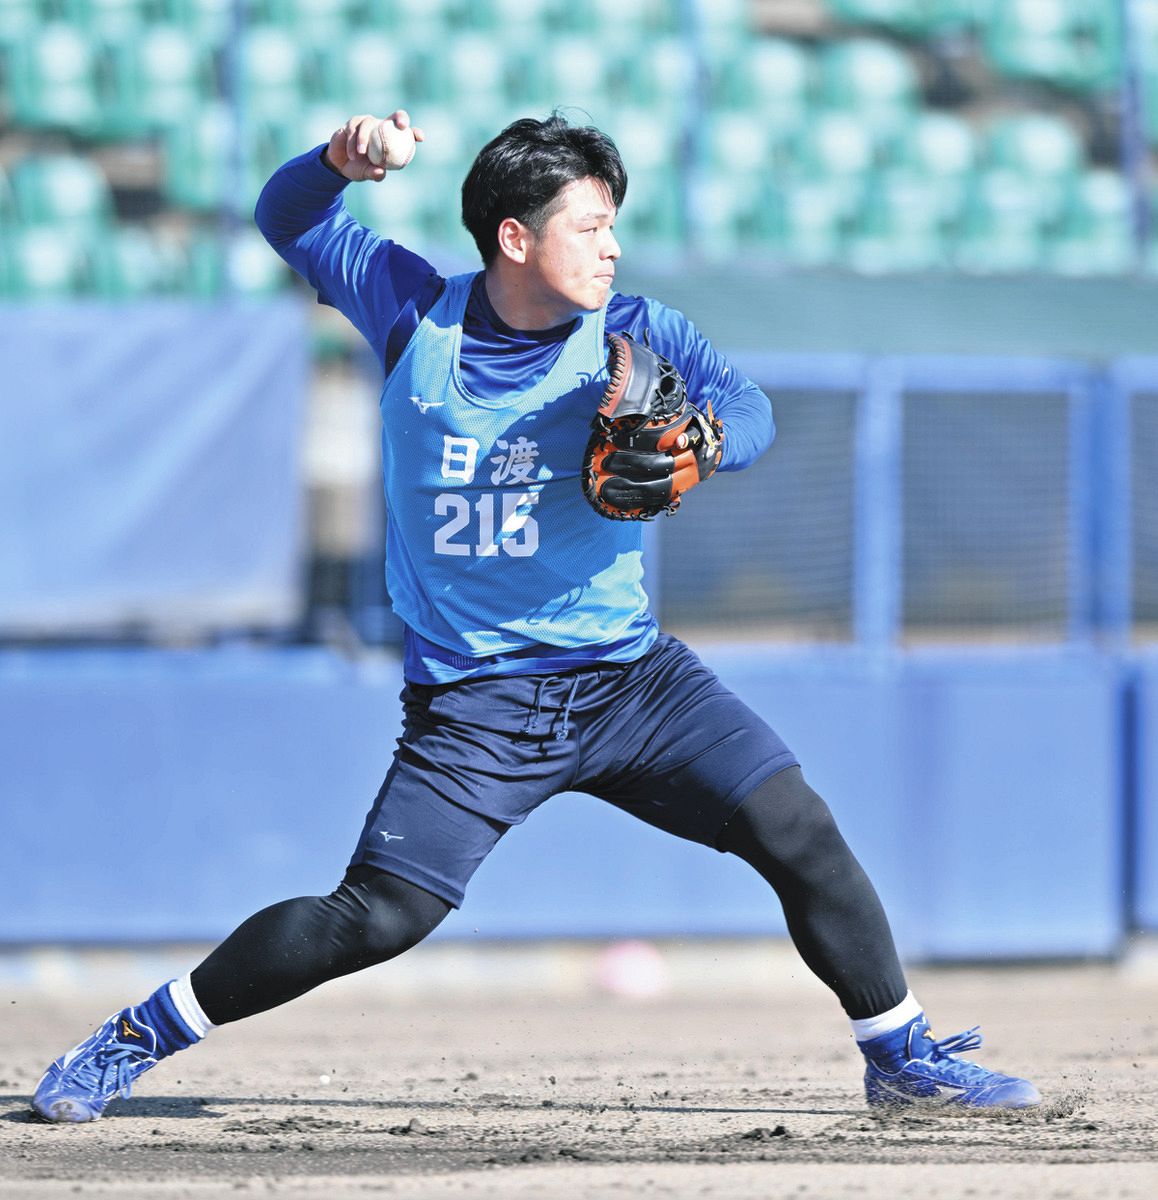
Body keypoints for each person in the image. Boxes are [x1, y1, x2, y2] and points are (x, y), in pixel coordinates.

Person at [32, 110, 1040, 1123]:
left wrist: (704, 440)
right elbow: (286, 217)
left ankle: (902, 1057)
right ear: (515, 237)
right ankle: (136, 1036)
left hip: (633, 679)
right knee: (377, 916)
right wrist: (339, 162)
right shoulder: (412, 308)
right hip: (480, 704)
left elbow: (753, 406)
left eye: (614, 225)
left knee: (798, 827)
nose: (611, 246)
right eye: (590, 224)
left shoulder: (636, 330)